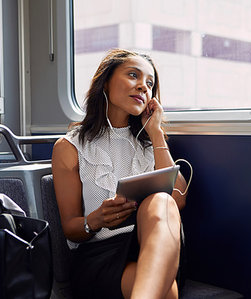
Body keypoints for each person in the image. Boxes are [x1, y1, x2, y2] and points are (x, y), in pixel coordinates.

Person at [51, 48, 188, 299]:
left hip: (152, 245)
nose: (143, 87)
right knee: (166, 292)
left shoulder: (148, 144)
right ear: (106, 81)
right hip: (101, 257)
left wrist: (156, 133)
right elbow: (70, 228)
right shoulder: (70, 147)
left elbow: (178, 199)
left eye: (150, 84)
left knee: (161, 200)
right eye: (133, 75)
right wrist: (97, 219)